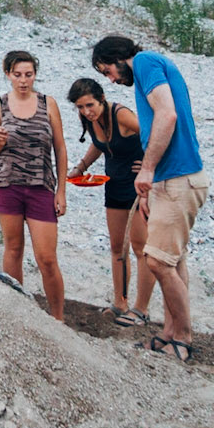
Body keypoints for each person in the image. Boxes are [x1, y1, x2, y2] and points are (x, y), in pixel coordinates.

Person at [92, 34, 208, 362]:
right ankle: (169, 333)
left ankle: (183, 338)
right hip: (168, 180)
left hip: (178, 178)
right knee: (173, 260)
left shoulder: (144, 62)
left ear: (118, 57)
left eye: (108, 71)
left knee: (156, 261)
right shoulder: (150, 68)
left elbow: (167, 114)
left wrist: (148, 169)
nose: (112, 80)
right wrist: (152, 183)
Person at [67, 75, 151, 327]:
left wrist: (150, 165)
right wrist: (81, 167)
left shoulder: (121, 115)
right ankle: (120, 302)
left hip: (138, 185)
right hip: (113, 183)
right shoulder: (90, 120)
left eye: (90, 105)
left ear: (101, 99)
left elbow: (155, 133)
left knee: (140, 248)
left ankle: (141, 309)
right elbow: (99, 144)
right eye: (80, 107)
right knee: (117, 246)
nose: (86, 111)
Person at [0, 50, 67, 318]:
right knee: (13, 248)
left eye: (28, 75)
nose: (23, 81)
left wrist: (61, 191)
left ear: (35, 74)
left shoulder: (49, 103)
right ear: (7, 74)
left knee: (46, 257)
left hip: (41, 185)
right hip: (6, 183)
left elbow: (60, 147)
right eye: (17, 75)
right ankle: (17, 313)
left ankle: (58, 317)